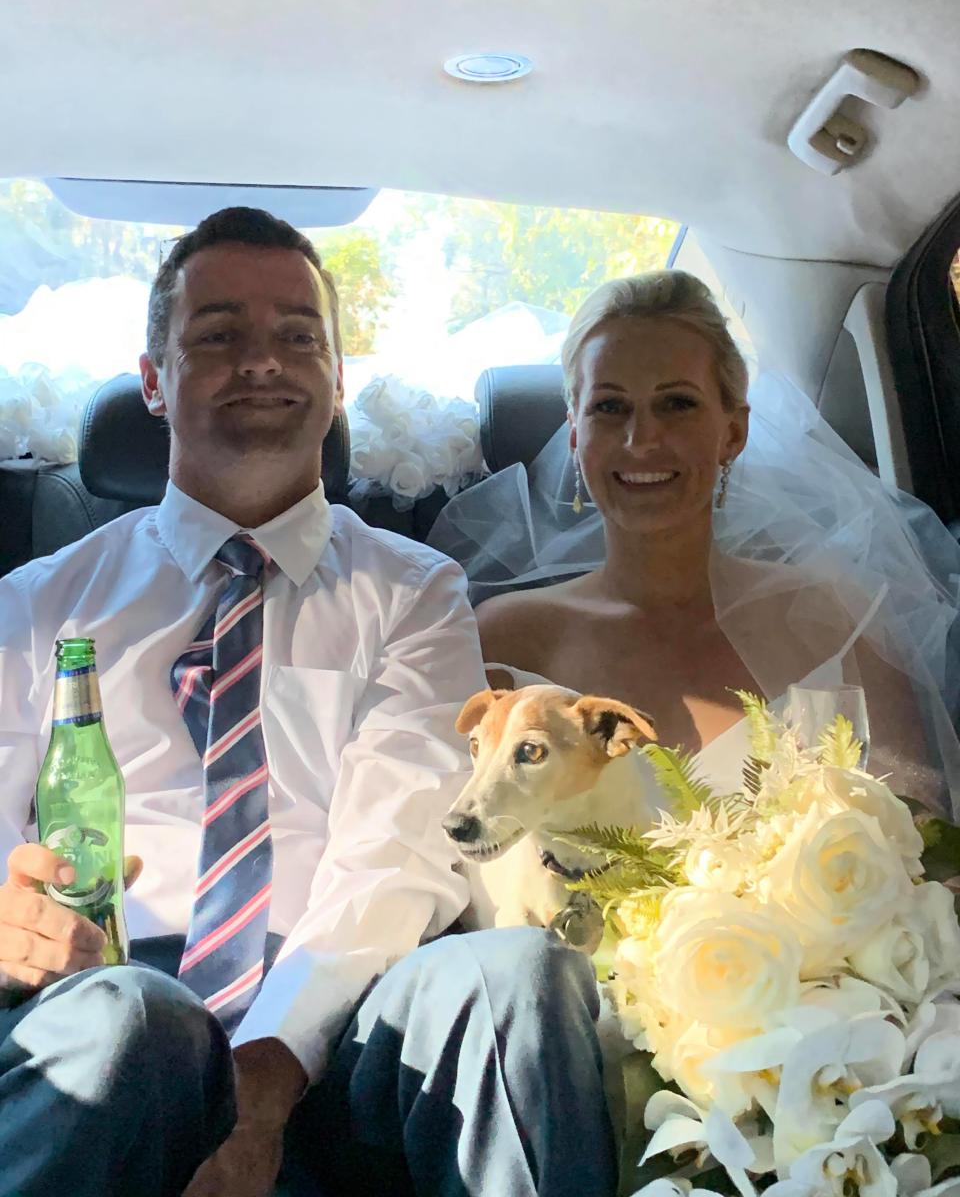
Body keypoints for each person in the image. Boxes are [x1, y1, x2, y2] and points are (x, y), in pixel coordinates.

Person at [0, 208, 616, 1197]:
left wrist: (265, 1073)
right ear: (153, 378)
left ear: (337, 383)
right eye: (218, 335)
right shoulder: (35, 605)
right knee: (134, 1018)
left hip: (343, 1037)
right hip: (97, 1017)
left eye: (298, 336)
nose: (263, 362)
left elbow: (405, 841)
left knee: (517, 977)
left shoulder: (414, 590)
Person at [428, 270, 960, 815]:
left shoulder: (840, 624)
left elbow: (921, 853)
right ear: (574, 434)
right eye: (610, 407)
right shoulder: (502, 643)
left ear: (733, 432)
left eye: (677, 403)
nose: (641, 440)